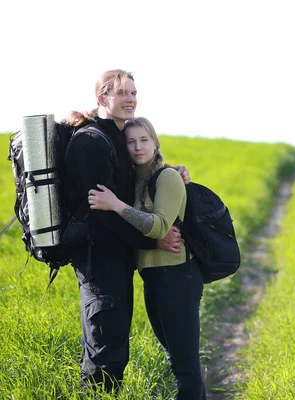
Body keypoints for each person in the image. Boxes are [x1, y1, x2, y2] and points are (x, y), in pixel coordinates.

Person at [63, 69, 188, 393]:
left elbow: (133, 185)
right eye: (122, 93)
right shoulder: (92, 141)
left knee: (114, 347)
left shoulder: (116, 137)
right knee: (105, 352)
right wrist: (154, 237)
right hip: (98, 259)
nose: (130, 98)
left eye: (133, 92)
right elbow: (100, 213)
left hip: (117, 259)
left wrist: (169, 172)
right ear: (102, 98)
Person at [88, 117, 206, 399]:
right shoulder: (133, 180)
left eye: (144, 140)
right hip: (153, 278)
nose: (138, 147)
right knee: (174, 355)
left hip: (178, 277)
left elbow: (160, 227)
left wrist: (115, 205)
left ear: (155, 142)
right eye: (130, 141)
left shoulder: (167, 177)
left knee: (184, 364)